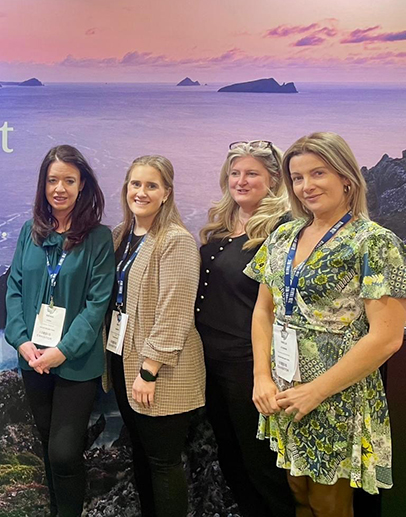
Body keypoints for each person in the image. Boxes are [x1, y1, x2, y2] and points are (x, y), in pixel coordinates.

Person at [246, 132, 406, 516]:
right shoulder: (284, 235)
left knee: (328, 503)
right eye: (297, 177)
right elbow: (264, 310)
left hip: (337, 394)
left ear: (346, 178)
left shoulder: (374, 242)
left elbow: (387, 338)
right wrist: (261, 376)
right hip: (284, 388)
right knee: (297, 492)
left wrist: (315, 391)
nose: (306, 186)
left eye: (318, 173)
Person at [5, 144, 113, 517]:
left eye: (69, 180)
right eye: (52, 180)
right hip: (33, 359)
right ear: (43, 185)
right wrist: (21, 340)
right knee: (48, 449)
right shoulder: (29, 232)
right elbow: (14, 287)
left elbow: (97, 305)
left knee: (65, 453)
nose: (59, 189)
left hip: (75, 362)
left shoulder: (99, 238)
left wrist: (62, 351)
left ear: (82, 185)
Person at [196, 141, 294, 517]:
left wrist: (263, 372)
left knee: (261, 463)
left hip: (248, 361)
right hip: (209, 359)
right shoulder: (221, 226)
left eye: (252, 173)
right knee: (230, 455)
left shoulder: (282, 230)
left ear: (273, 179)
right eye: (235, 173)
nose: (241, 180)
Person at [103, 155, 204, 517]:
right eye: (136, 184)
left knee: (163, 462)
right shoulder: (120, 236)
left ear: (166, 193)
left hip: (160, 371)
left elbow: (175, 312)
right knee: (142, 456)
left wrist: (149, 370)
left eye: (151, 185)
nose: (141, 192)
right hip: (122, 359)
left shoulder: (176, 241)